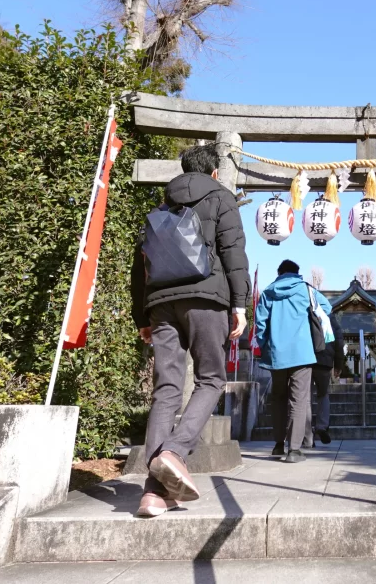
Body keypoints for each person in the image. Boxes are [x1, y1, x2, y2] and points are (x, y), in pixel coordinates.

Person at [130, 143, 250, 518]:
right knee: (211, 380)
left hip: (161, 303)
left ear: (181, 170)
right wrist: (239, 306)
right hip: (206, 299)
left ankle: (153, 493)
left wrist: (142, 318)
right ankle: (174, 452)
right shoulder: (221, 198)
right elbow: (234, 253)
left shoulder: (161, 206)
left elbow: (141, 265)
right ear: (215, 172)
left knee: (166, 389)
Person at [255, 259, 333, 463]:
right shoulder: (306, 290)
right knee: (298, 400)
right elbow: (327, 308)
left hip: (276, 355)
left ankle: (278, 444)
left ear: (279, 272)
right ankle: (294, 450)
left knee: (278, 397)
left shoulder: (268, 292)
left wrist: (265, 347)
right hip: (302, 353)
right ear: (297, 273)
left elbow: (260, 325)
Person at [304, 311, 345, 447]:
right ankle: (322, 425)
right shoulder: (330, 316)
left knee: (305, 397)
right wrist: (338, 364)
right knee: (323, 394)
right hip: (325, 361)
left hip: (306, 359)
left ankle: (307, 435)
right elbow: (339, 341)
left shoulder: (305, 311)